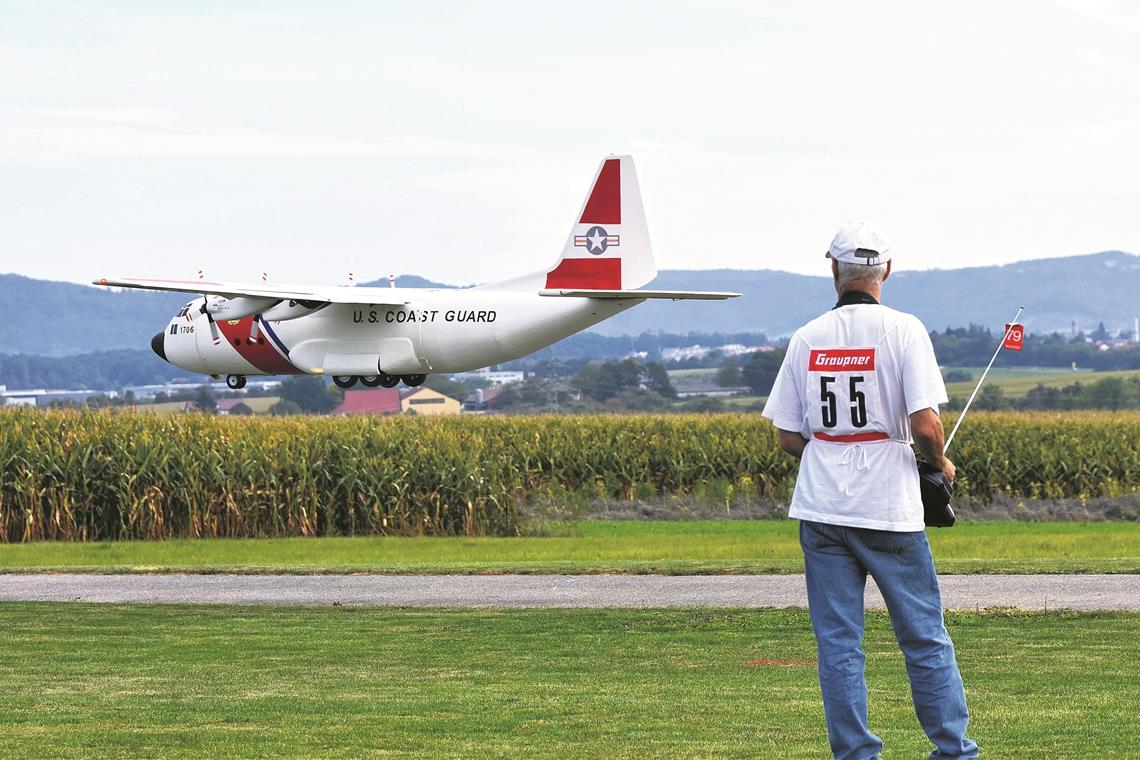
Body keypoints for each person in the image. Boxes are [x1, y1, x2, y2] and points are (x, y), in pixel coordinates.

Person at [761, 222, 978, 760]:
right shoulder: (904, 330)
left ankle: (856, 754)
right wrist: (940, 463)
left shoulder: (807, 337)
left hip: (821, 504)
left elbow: (788, 435)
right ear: (886, 271)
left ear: (833, 270)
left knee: (839, 643)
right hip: (889, 505)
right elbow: (926, 425)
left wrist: (833, 446)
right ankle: (953, 750)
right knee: (924, 635)